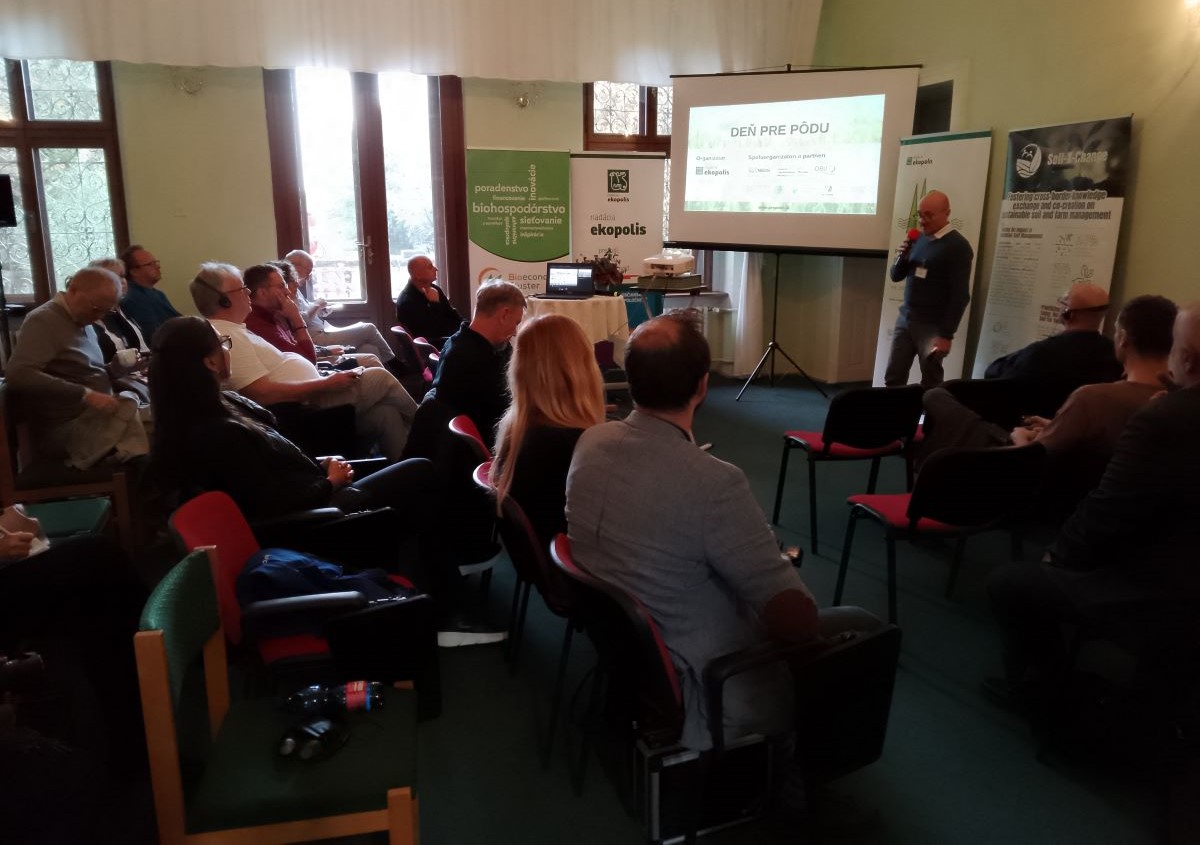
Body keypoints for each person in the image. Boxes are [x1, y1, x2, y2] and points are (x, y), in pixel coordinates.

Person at [567, 310, 880, 751]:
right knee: (866, 627)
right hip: (708, 679)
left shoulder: (590, 442)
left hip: (630, 654)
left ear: (630, 380)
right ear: (702, 386)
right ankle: (808, 768)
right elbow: (797, 623)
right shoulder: (714, 482)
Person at [987, 301, 1200, 710]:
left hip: (1160, 583)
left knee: (1009, 583)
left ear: (1186, 359)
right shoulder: (1164, 408)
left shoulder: (1157, 418)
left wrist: (1057, 557)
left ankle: (1041, 694)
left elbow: (1108, 511)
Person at [148, 315, 436, 520]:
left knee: (390, 424)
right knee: (420, 469)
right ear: (210, 362)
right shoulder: (218, 432)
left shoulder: (224, 403)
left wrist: (321, 464)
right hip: (320, 513)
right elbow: (271, 503)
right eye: (222, 343)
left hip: (314, 485)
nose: (227, 348)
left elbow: (274, 465)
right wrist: (330, 482)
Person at [189, 262, 418, 462]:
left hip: (312, 398)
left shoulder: (237, 330)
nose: (248, 292)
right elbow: (260, 393)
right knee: (380, 377)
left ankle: (413, 466)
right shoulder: (227, 336)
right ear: (224, 300)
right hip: (307, 405)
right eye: (242, 289)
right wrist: (326, 384)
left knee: (386, 414)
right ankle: (428, 425)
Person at [918, 295, 1176, 464]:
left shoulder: (1093, 397)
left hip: (1025, 466)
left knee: (937, 396)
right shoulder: (1176, 400)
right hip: (1071, 467)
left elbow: (1034, 456)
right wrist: (1054, 425)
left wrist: (1021, 435)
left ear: (1124, 339)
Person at [5, 267, 148, 468]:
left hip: (99, 419)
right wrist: (85, 394)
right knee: (142, 416)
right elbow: (18, 374)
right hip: (69, 429)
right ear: (73, 289)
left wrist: (115, 370)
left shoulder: (84, 319)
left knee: (169, 420)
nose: (98, 316)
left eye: (106, 311)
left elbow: (84, 374)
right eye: (95, 308)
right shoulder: (44, 320)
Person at [491, 314, 606, 549]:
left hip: (536, 557)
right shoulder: (578, 446)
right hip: (570, 562)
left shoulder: (517, 427)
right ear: (578, 369)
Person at [884, 190, 974, 388]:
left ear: (946, 213)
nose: (922, 221)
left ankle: (930, 410)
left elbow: (960, 296)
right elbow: (895, 276)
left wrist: (946, 335)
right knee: (893, 378)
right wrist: (903, 257)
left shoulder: (958, 247)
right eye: (920, 215)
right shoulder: (920, 239)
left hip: (932, 327)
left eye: (929, 215)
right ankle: (894, 410)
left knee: (931, 382)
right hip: (906, 319)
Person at [425, 279, 526, 450]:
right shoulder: (474, 360)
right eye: (516, 323)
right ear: (504, 314)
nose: (516, 332)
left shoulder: (458, 343)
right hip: (491, 445)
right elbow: (508, 411)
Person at [984, 281, 1123, 385]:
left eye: (1063, 302)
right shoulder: (1117, 354)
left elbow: (993, 374)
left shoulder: (1040, 353)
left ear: (1068, 313)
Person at [283, 249, 398, 365]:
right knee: (369, 328)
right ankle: (396, 364)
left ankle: (387, 374)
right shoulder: (286, 290)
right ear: (294, 266)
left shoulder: (295, 287)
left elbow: (306, 312)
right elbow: (300, 320)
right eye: (308, 271)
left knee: (369, 348)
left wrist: (320, 310)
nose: (308, 277)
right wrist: (316, 305)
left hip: (322, 331)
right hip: (315, 338)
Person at [396, 255, 464, 350]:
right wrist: (434, 304)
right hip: (435, 346)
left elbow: (452, 315)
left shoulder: (434, 289)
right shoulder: (407, 301)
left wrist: (467, 328)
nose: (436, 269)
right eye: (430, 267)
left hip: (451, 338)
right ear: (418, 275)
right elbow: (433, 331)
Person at [118, 244, 181, 341]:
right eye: (151, 264)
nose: (158, 267)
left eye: (156, 262)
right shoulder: (132, 298)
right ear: (134, 271)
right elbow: (153, 333)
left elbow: (178, 320)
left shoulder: (158, 294)